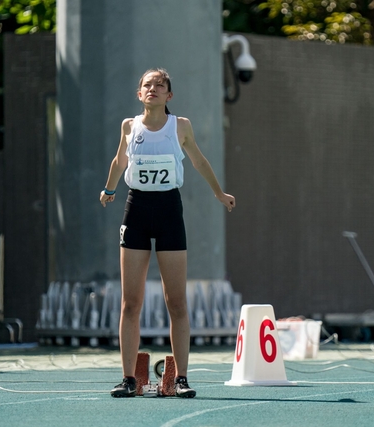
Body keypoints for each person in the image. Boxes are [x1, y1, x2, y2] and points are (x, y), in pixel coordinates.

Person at [99, 68, 236, 398]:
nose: (153, 89)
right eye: (148, 84)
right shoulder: (129, 126)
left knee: (176, 302)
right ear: (139, 93)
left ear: (169, 95)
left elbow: (199, 161)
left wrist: (218, 193)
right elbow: (120, 160)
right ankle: (129, 379)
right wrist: (109, 189)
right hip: (137, 210)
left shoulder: (181, 126)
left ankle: (181, 378)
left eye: (160, 85)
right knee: (131, 303)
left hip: (169, 211)